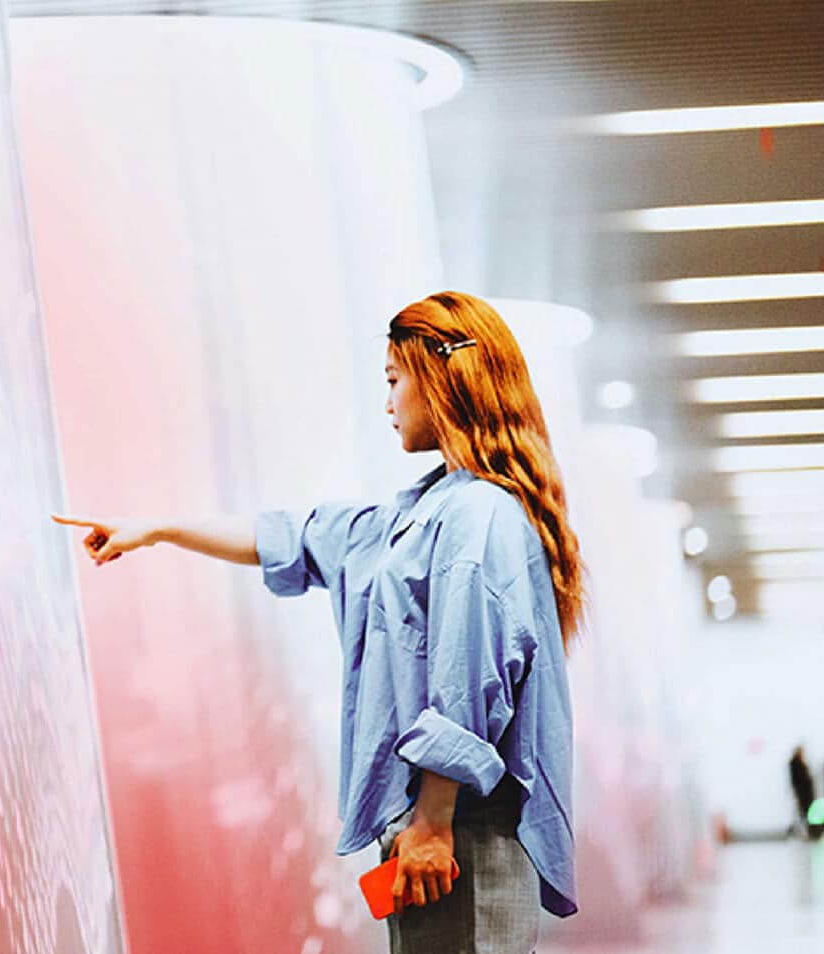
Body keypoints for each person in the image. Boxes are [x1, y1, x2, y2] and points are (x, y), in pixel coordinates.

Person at [55, 292, 580, 953]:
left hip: (457, 827)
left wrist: (433, 820)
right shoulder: (422, 514)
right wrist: (158, 529)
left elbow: (469, 680)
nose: (387, 403)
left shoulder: (477, 518)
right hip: (437, 823)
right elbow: (297, 537)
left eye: (395, 380)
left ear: (440, 376)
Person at [787, 745, 815, 839]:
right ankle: (803, 831)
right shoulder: (795, 764)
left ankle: (806, 831)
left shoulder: (799, 764)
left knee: (805, 812)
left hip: (805, 793)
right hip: (802, 793)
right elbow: (797, 780)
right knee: (803, 812)